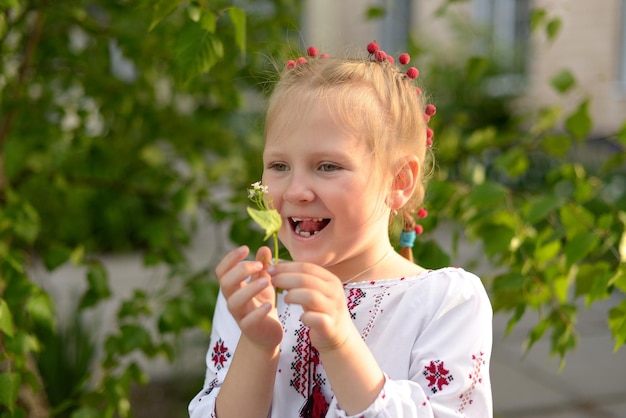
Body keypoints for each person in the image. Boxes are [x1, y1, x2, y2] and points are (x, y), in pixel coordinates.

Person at [189, 42, 493, 418]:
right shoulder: (256, 300)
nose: (296, 191)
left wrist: (341, 343)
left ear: (399, 181)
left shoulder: (444, 303)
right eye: (279, 166)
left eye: (328, 166)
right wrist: (257, 344)